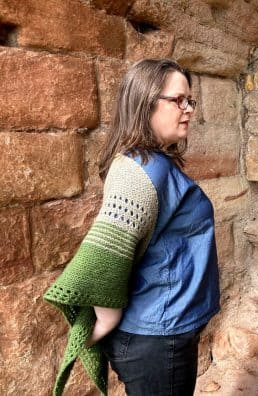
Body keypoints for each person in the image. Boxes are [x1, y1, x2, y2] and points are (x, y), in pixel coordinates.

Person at [44, 59, 221, 396]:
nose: (187, 110)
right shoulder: (138, 173)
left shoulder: (151, 163)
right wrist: (107, 319)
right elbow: (103, 260)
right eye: (178, 100)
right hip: (155, 339)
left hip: (165, 329)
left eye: (190, 101)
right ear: (145, 101)